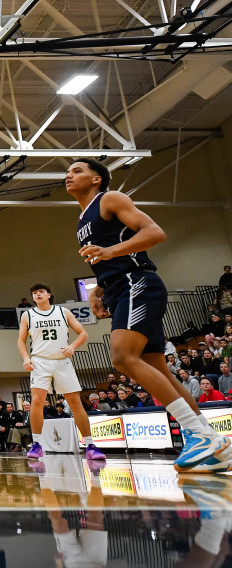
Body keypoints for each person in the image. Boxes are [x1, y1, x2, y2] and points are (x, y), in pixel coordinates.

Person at [68, 157, 231, 473]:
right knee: (159, 368)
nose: (69, 175)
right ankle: (213, 441)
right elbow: (108, 258)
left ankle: (200, 436)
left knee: (122, 357)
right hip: (119, 289)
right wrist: (99, 288)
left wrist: (112, 253)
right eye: (67, 172)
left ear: (96, 179)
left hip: (138, 283)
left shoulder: (110, 199)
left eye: (78, 171)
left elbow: (155, 233)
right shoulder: (81, 220)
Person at [18, 282, 104, 461]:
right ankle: (37, 444)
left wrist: (72, 346)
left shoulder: (63, 312)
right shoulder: (28, 315)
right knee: (36, 401)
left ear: (49, 295)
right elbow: (21, 341)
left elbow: (83, 333)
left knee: (75, 402)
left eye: (41, 291)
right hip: (40, 361)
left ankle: (90, 445)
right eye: (34, 293)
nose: (37, 294)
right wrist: (26, 358)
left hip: (62, 361)